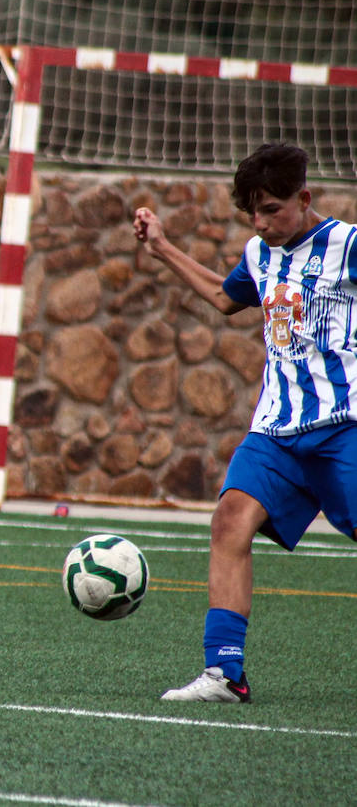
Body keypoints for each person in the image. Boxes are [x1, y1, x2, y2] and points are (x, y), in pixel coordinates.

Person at [133, 143, 357, 702]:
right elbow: (223, 296)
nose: (260, 223)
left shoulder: (347, 245)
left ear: (304, 198)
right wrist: (161, 247)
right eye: (252, 212)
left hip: (343, 426)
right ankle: (224, 675)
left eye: (272, 210)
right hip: (275, 430)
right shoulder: (260, 253)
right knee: (230, 520)